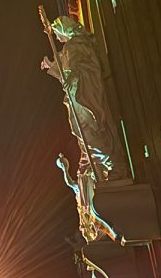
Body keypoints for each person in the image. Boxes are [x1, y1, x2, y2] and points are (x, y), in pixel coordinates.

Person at [41, 14, 120, 179]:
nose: (56, 37)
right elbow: (63, 67)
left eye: (56, 33)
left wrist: (73, 75)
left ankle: (114, 165)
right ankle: (106, 165)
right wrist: (52, 65)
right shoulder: (70, 46)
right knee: (81, 131)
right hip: (75, 95)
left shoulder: (76, 44)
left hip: (84, 93)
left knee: (89, 130)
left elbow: (86, 66)